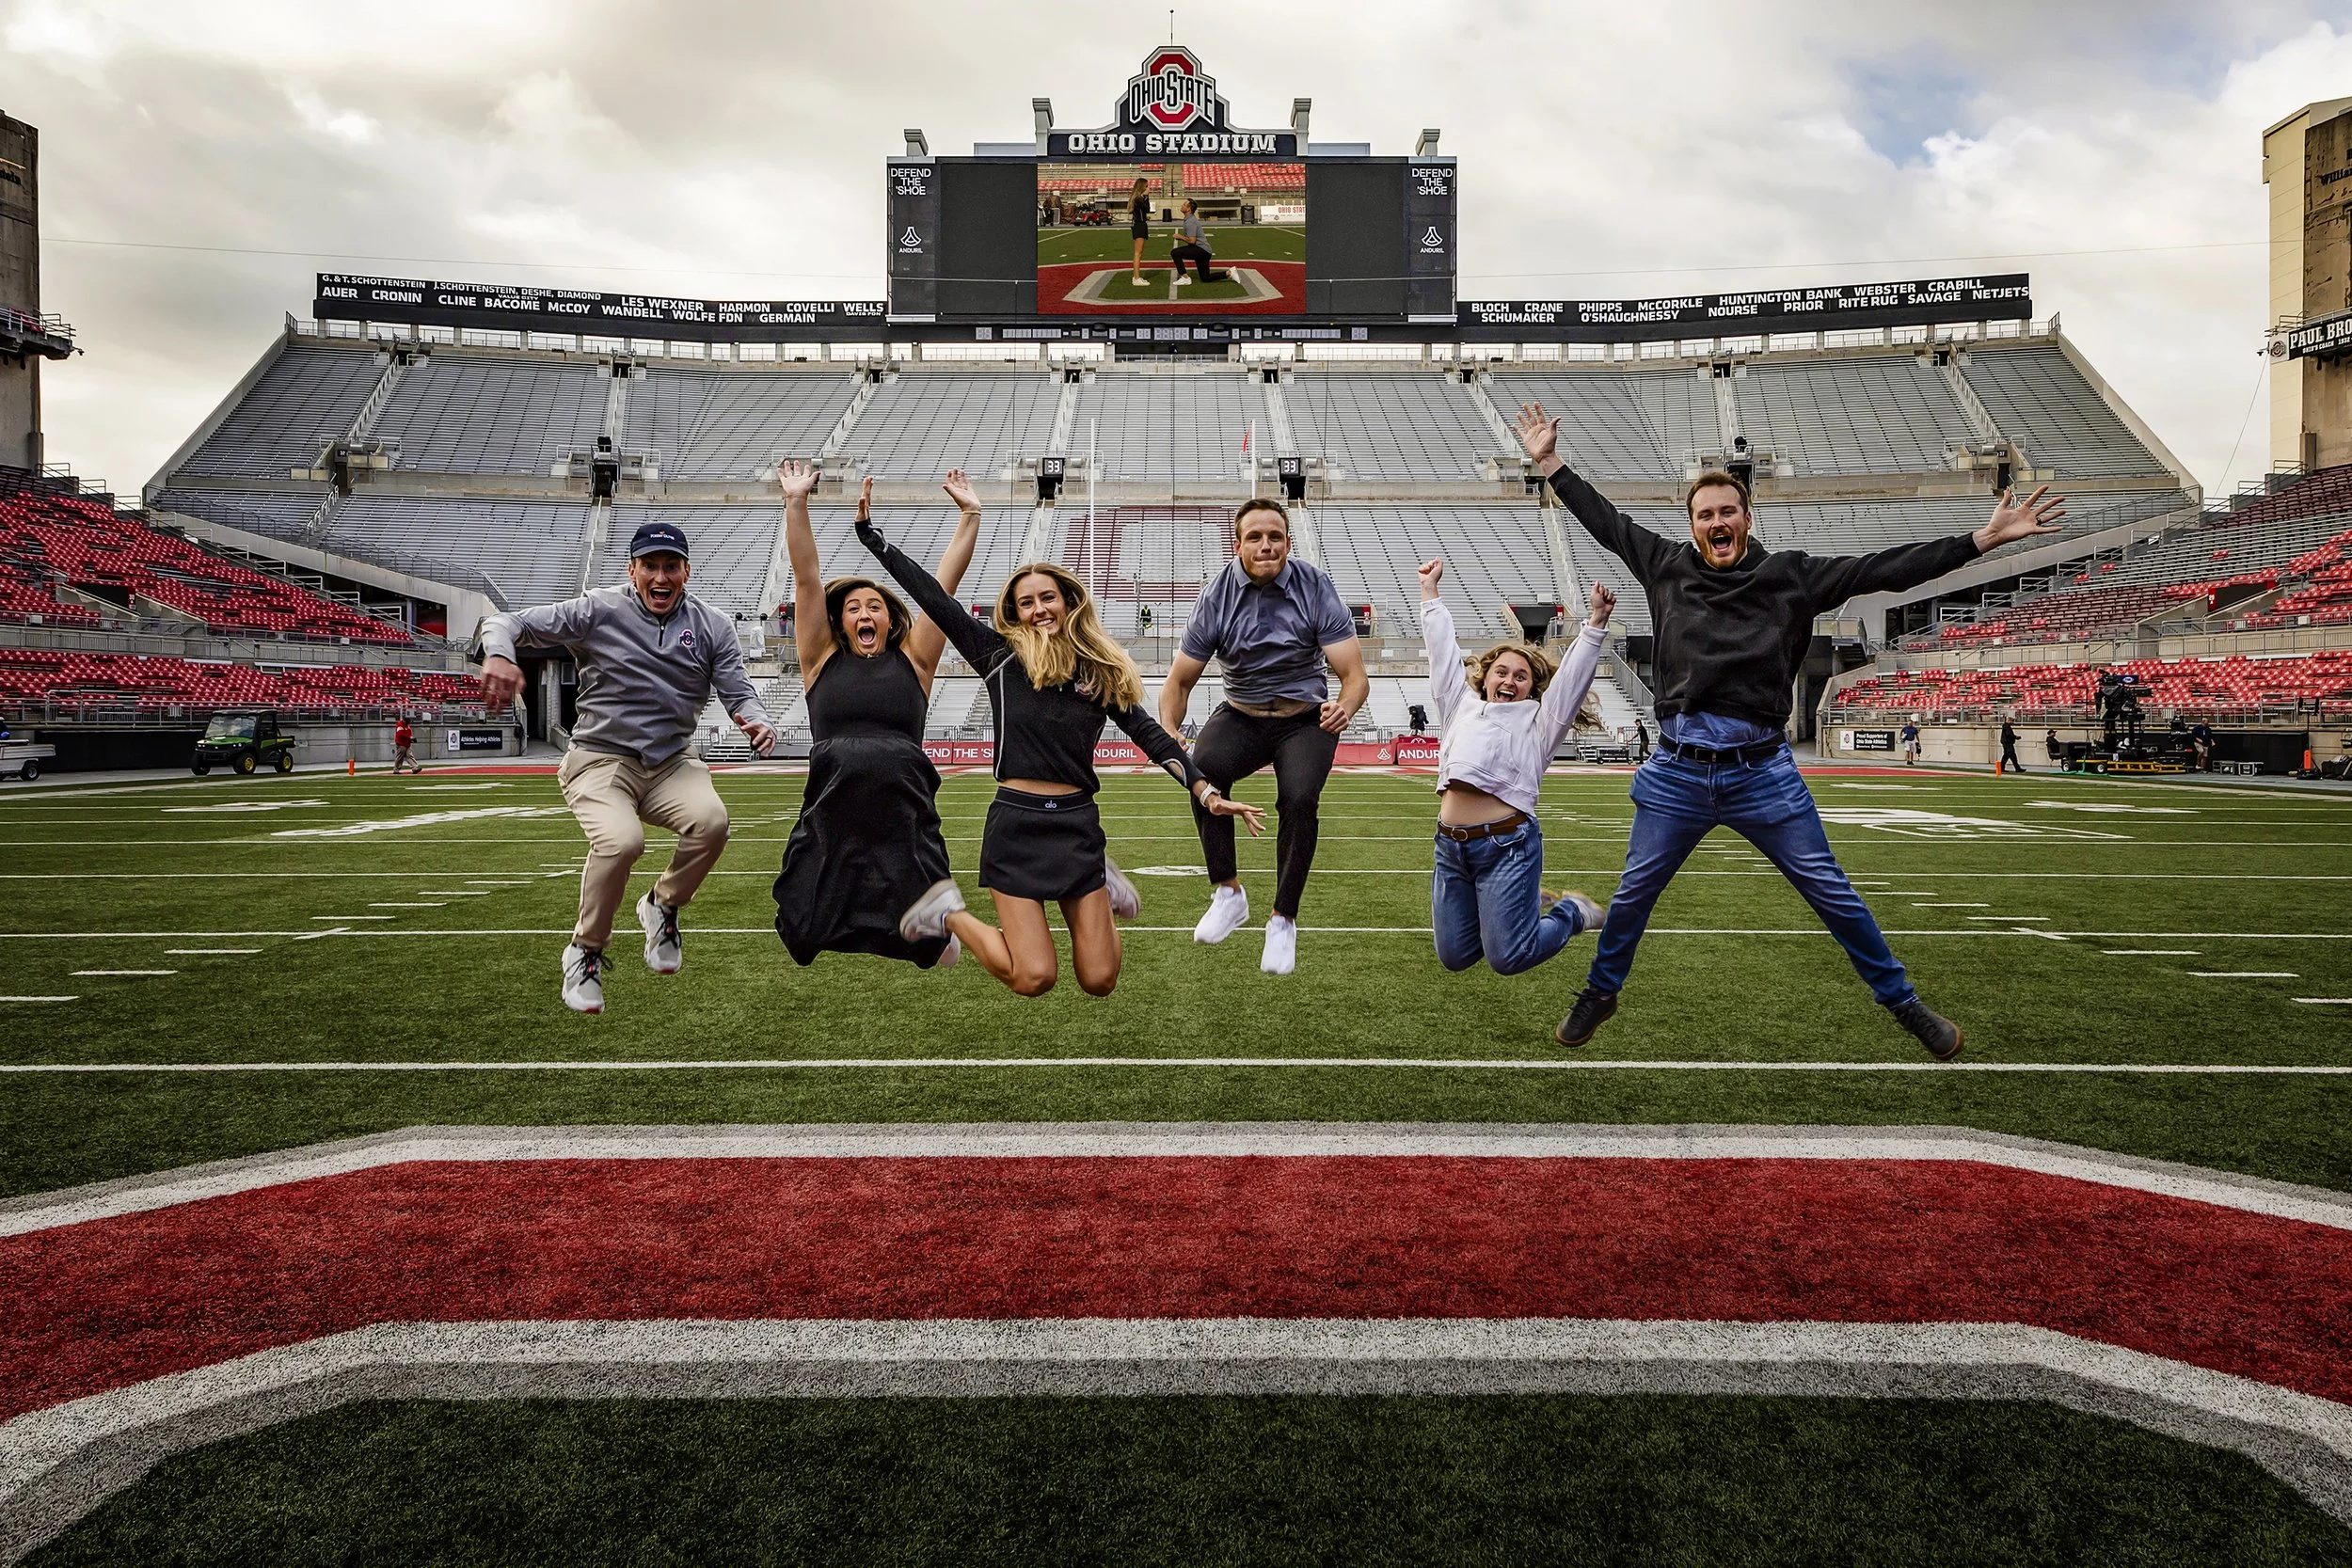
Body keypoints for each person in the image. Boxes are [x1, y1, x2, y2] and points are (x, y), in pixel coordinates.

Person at [1516, 401, 2067, 1059]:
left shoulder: (1791, 577)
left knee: (1832, 893)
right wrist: (1549, 462)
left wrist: (1981, 540)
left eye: (1727, 511)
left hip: (1762, 772)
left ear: (1747, 518)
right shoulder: (1665, 564)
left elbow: (1884, 568)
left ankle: (1904, 1002)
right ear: (1692, 527)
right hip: (1678, 769)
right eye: (1705, 515)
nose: (1716, 522)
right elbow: (1605, 521)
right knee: (1634, 893)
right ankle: (1601, 992)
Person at [862, 524, 1266, 998]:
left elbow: (1152, 737)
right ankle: (948, 913)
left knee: (1100, 980)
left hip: (1076, 827)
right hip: (1016, 828)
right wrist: (873, 537)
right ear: (1015, 613)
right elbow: (933, 598)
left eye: (1047, 598)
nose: (1039, 610)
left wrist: (1207, 792)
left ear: (1068, 602)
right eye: (1026, 603)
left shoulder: (1098, 670)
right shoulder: (998, 656)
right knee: (1034, 977)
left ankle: (1105, 883)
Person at [479, 519, 774, 1015]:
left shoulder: (713, 626)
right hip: (600, 758)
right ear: (631, 569)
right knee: (622, 841)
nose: (661, 577)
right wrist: (501, 656)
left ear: (686, 571)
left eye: (671, 566)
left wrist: (758, 720)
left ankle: (661, 904)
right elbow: (506, 622)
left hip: (670, 762)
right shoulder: (599, 609)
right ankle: (586, 951)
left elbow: (739, 691)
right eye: (651, 566)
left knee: (712, 822)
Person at [769, 460, 980, 970]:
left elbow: (942, 590)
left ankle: (934, 936)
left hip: (902, 809)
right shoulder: (819, 658)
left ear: (890, 618)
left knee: (925, 934)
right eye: (855, 608)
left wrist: (970, 516)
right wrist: (796, 502)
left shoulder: (916, 660)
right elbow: (807, 578)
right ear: (841, 620)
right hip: (833, 806)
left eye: (876, 606)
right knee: (804, 927)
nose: (866, 613)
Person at [1158, 498, 1370, 974]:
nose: (1266, 544)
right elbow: (1179, 681)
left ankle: (1283, 919)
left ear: (1288, 542)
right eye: (1254, 536)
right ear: (1236, 545)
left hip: (1305, 717)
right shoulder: (1216, 595)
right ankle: (1228, 891)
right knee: (1201, 772)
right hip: (1242, 713)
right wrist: (1171, 731)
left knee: (1298, 797)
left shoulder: (1314, 585)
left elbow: (1354, 675)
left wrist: (1345, 706)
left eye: (1275, 536)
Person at [1422, 560, 1611, 975]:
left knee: (1508, 958)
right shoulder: (1459, 706)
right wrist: (1430, 593)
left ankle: (1573, 914)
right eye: (1501, 672)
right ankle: (1520, 900)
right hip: (1450, 848)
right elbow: (1441, 657)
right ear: (1486, 677)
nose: (1510, 680)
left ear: (1531, 687)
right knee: (1454, 957)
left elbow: (1571, 685)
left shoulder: (1539, 722)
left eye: (1521, 676)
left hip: (1507, 846)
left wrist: (1595, 624)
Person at [1169, 199, 1226, 285]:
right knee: (1205, 278)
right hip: (1204, 251)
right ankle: (1228, 273)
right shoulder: (1189, 219)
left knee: (1175, 253)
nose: (1182, 205)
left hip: (1201, 250)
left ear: (1189, 209)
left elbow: (1192, 241)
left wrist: (1180, 237)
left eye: (1184, 204)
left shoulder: (1190, 221)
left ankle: (1185, 278)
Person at [1128, 176, 1152, 288]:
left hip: (1140, 224)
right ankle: (1136, 278)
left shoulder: (1138, 198)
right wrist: (1147, 197)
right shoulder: (1138, 199)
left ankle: (1137, 277)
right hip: (1139, 225)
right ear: (1142, 187)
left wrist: (1146, 196)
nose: (1148, 188)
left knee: (1139, 253)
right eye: (1146, 186)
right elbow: (1147, 209)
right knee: (1138, 253)